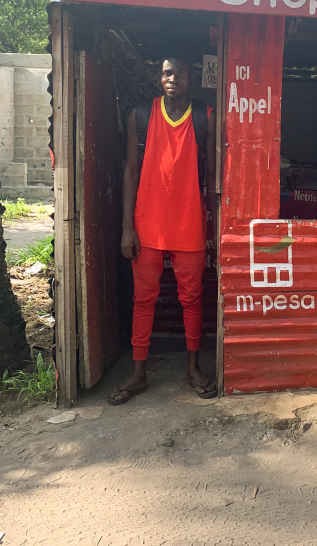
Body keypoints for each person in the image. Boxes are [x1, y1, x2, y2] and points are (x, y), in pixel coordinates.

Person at [108, 57, 217, 405]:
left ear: (191, 79)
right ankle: (139, 374)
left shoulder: (206, 116)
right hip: (147, 224)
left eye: (181, 74)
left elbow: (213, 178)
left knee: (192, 299)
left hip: (189, 224)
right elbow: (129, 172)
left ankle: (192, 368)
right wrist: (127, 228)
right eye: (168, 73)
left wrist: (216, 226)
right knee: (144, 300)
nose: (174, 79)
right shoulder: (141, 115)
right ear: (160, 78)